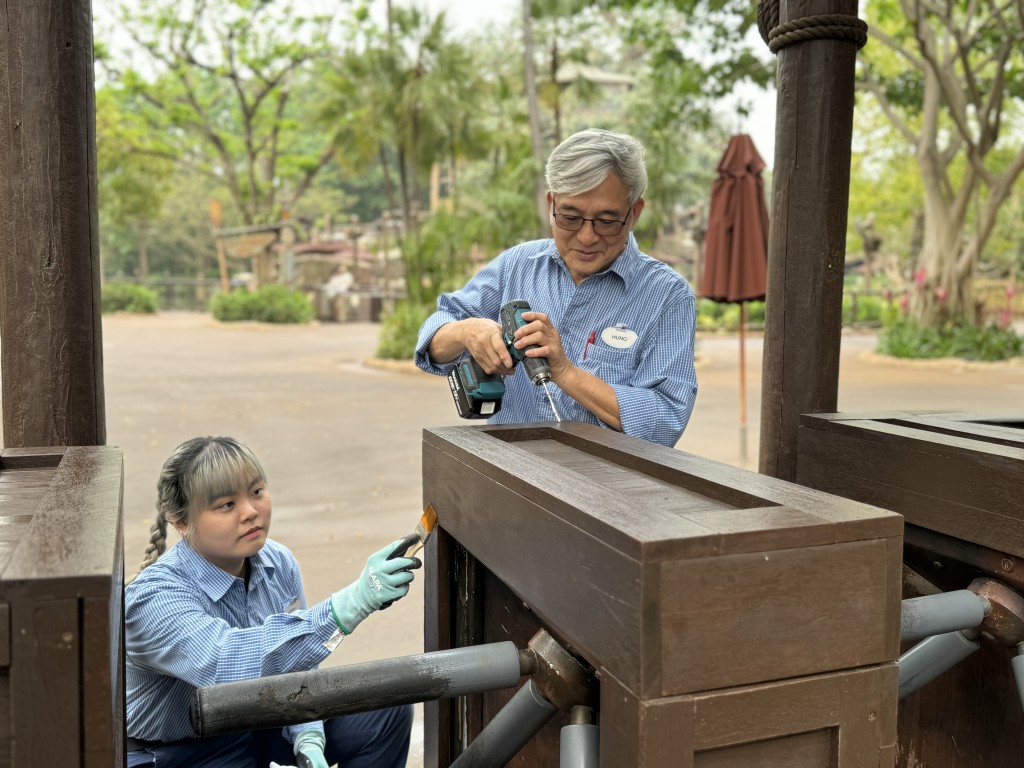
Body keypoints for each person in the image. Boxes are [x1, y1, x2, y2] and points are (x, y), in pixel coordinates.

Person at [125, 436, 419, 768]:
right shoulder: (154, 597)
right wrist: (350, 605)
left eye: (256, 492)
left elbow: (296, 665)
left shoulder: (278, 562)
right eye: (226, 504)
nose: (251, 512)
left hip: (253, 725)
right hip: (176, 753)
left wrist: (308, 739)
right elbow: (229, 666)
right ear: (181, 522)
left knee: (387, 708)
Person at [415, 127, 698, 447]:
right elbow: (434, 339)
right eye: (570, 217)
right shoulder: (518, 265)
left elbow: (665, 419)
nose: (587, 236)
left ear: (634, 213)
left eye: (606, 221)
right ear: (552, 204)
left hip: (603, 491)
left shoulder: (667, 296)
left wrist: (565, 372)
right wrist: (466, 331)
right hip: (508, 476)